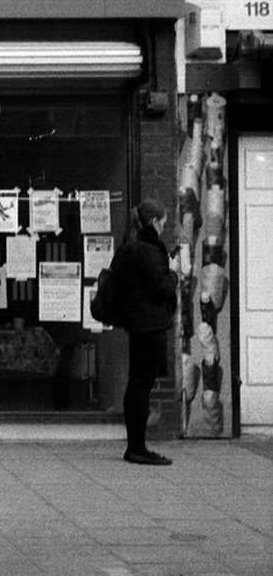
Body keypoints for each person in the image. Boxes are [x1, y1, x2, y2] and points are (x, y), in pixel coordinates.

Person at [110, 198, 177, 466]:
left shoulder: (127, 248)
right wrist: (173, 274)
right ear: (153, 222)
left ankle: (134, 445)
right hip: (149, 325)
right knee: (142, 386)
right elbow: (163, 289)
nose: (163, 228)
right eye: (162, 223)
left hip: (136, 323)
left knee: (135, 384)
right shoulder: (148, 251)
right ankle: (137, 447)